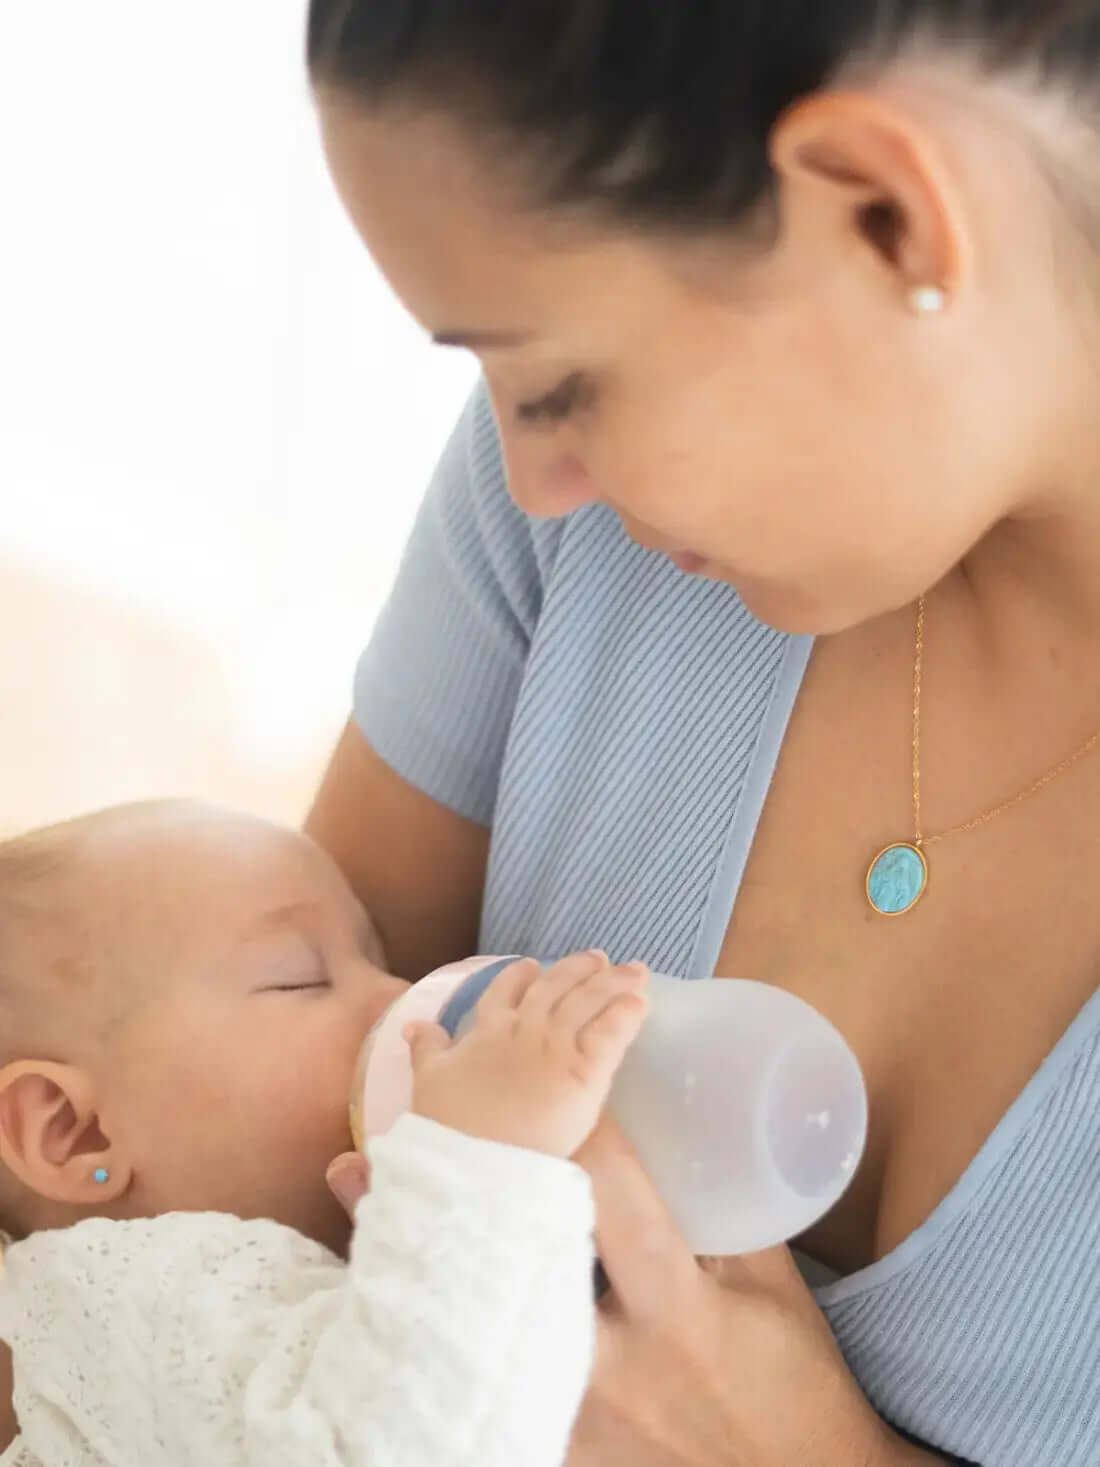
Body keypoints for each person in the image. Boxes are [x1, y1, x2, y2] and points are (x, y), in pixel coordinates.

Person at [302, 2, 1100, 1464]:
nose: (531, 477)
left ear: (886, 216)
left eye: (560, 384)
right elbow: (233, 1123)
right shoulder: (597, 531)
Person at [0, 800, 649, 1466]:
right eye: (299, 979)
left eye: (380, 961)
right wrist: (483, 1162)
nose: (395, 996)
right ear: (73, 1133)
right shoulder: (134, 1299)